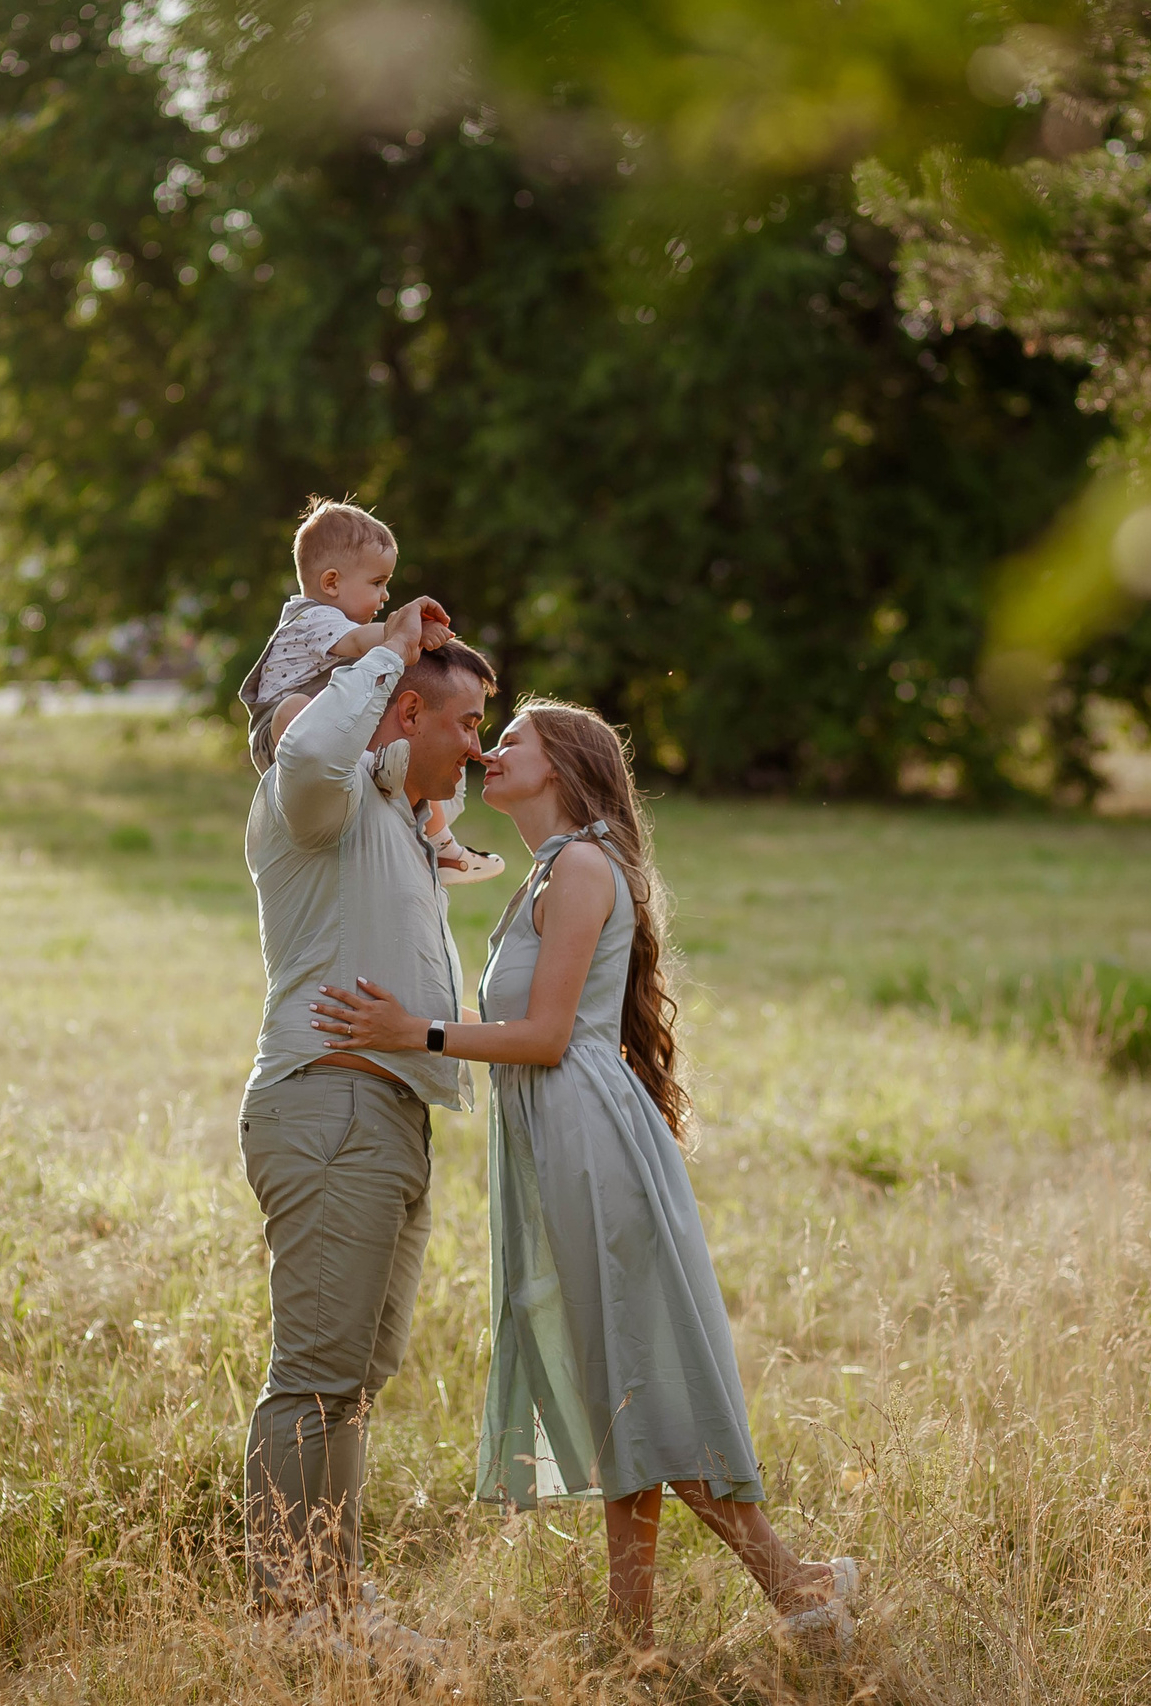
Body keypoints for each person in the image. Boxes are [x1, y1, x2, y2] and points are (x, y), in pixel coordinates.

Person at [310, 700, 859, 1656]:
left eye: (510, 739)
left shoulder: (582, 867)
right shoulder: (544, 874)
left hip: (591, 1142)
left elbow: (548, 1035)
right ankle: (634, 1633)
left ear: (562, 765)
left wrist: (416, 1034)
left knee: (642, 1378)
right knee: (620, 1380)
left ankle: (795, 1583)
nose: (490, 749)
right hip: (558, 1139)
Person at [237, 589, 498, 1672]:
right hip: (330, 1104)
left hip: (386, 1112)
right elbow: (307, 757)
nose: (478, 748)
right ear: (403, 712)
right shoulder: (317, 797)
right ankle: (293, 1616)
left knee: (352, 1378)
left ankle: (336, 1599)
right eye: (469, 723)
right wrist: (382, 656)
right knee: (313, 1377)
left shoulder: (391, 814)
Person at [236, 497, 505, 884]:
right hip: (278, 735)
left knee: (405, 733)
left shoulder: (333, 618)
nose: (385, 596)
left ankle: (441, 844)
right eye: (377, 583)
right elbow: (364, 642)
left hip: (326, 732)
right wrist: (407, 629)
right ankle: (373, 772)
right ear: (331, 582)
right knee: (294, 706)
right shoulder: (311, 619)